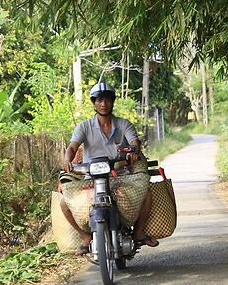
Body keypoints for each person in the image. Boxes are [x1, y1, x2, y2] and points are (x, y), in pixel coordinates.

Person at [60, 82, 159, 255]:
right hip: (92, 177)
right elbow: (72, 147)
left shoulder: (124, 124)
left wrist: (134, 150)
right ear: (94, 103)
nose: (103, 104)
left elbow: (134, 141)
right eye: (99, 100)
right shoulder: (84, 126)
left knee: (147, 194)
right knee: (64, 203)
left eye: (107, 100)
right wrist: (67, 159)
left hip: (120, 175)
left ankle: (138, 232)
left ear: (113, 102)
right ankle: (85, 236)